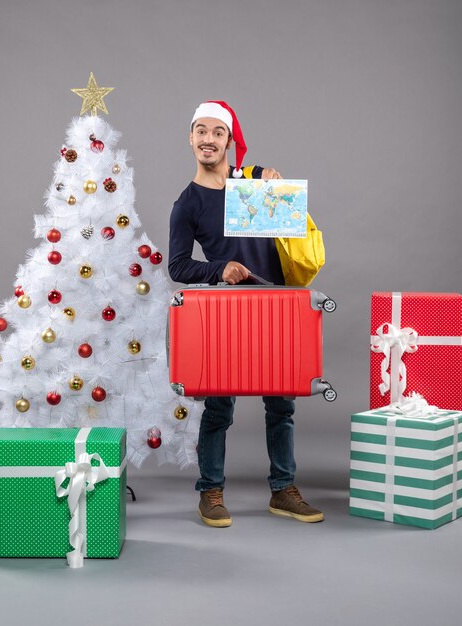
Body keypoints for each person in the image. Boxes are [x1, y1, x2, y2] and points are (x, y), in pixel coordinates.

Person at [169, 100, 324, 528]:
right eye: (201, 130)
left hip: (276, 303)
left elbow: (287, 221)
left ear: (229, 141)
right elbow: (178, 266)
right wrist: (220, 269)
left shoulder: (251, 181)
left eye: (218, 132)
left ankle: (283, 490)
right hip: (225, 311)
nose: (208, 139)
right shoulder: (187, 203)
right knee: (219, 409)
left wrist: (273, 181)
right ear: (190, 137)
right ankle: (211, 492)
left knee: (282, 405)